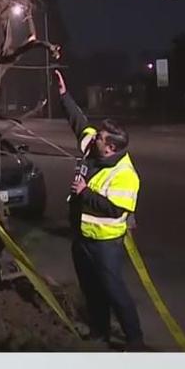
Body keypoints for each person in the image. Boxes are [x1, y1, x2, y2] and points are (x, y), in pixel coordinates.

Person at [54, 69, 146, 351]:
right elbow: (79, 123)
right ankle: (100, 332)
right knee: (91, 291)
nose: (94, 138)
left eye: (100, 138)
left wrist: (85, 193)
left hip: (105, 244)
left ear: (111, 148)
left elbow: (115, 210)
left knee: (115, 292)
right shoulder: (93, 147)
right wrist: (63, 95)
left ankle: (134, 340)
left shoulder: (126, 175)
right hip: (82, 238)